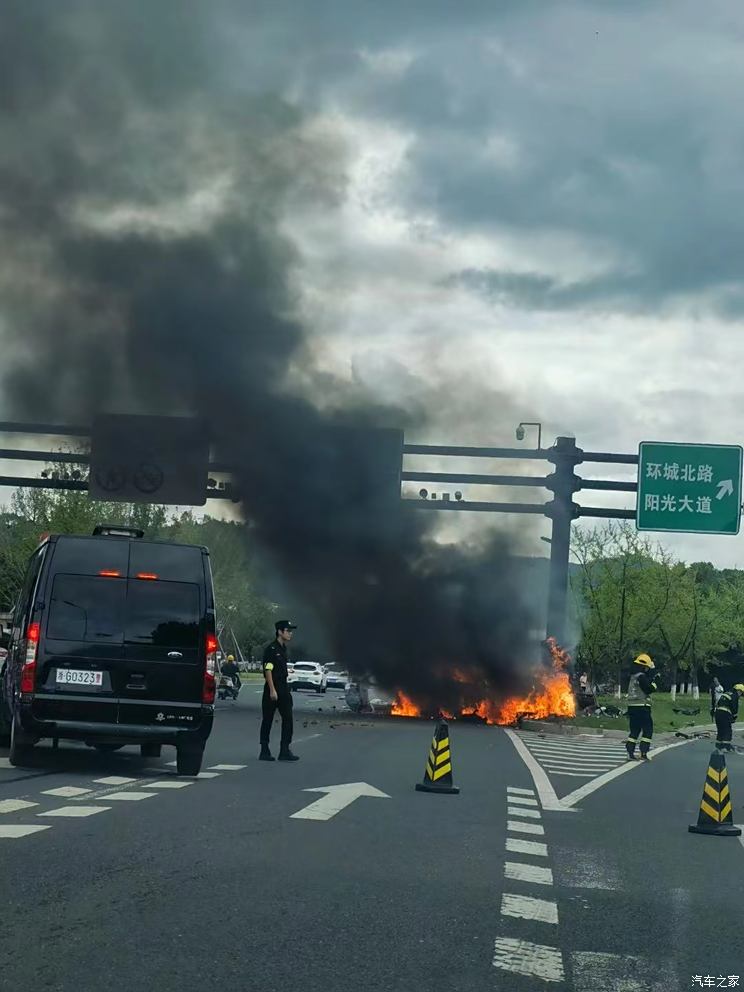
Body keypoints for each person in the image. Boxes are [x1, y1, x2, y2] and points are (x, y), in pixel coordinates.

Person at [259, 620, 299, 762]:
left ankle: (284, 750)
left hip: (283, 688)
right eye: (288, 631)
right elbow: (268, 670)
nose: (290, 633)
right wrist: (272, 690)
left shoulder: (283, 649)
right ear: (280, 632)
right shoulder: (271, 649)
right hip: (273, 688)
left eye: (290, 631)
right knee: (267, 720)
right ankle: (264, 750)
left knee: (288, 719)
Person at [625, 653, 659, 761]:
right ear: (644, 667)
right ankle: (643, 752)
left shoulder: (633, 677)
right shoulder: (641, 676)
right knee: (647, 730)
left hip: (632, 707)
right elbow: (648, 689)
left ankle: (630, 753)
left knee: (634, 731)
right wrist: (655, 683)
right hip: (642, 708)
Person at [713, 684, 744, 752]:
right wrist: (734, 717)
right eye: (741, 693)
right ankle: (725, 746)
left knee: (720, 729)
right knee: (727, 730)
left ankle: (718, 745)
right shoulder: (734, 696)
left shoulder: (726, 693)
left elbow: (718, 703)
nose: (740, 694)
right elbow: (734, 707)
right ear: (739, 691)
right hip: (725, 713)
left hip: (718, 712)